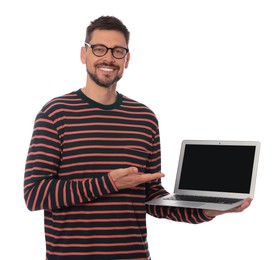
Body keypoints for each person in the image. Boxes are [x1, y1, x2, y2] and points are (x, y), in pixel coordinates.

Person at [24, 16, 251, 260]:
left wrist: (206, 211)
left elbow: (151, 197)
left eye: (118, 51)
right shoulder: (55, 113)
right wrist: (108, 183)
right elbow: (35, 194)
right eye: (99, 49)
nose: (109, 58)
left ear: (127, 59)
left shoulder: (145, 118)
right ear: (84, 54)